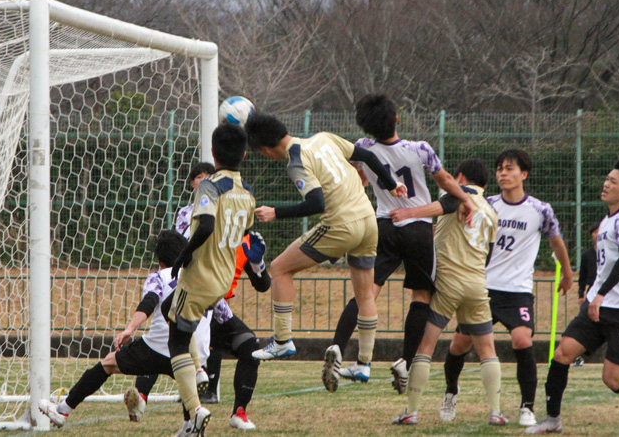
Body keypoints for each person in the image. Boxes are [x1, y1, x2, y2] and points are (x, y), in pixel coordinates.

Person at [243, 112, 408, 395]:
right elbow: (367, 156)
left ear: (266, 149)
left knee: (281, 268)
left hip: (340, 224)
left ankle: (282, 341)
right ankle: (363, 364)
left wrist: (275, 212)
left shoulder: (296, 162)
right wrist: (391, 183)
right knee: (365, 294)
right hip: (368, 221)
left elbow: (316, 203)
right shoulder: (324, 138)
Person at [329, 94, 474, 393]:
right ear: (396, 118)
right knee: (421, 295)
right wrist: (465, 198)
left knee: (366, 292)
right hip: (419, 229)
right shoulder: (420, 150)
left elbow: (355, 173)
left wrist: (362, 175)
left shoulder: (363, 148)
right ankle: (405, 362)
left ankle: (338, 347)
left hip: (384, 225)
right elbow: (445, 180)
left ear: (366, 126)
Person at [126, 159, 272, 431]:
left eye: (209, 177)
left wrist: (260, 263)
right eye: (200, 178)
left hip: (217, 308)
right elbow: (178, 252)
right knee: (171, 337)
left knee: (249, 346)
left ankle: (238, 412)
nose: (205, 182)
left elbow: (263, 285)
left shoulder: (243, 232)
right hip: (193, 297)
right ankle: (158, 400)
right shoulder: (191, 217)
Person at [526, 160, 619, 434]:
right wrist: (592, 294)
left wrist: (599, 294)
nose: (606, 183)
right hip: (597, 304)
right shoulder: (608, 218)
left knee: (613, 380)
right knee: (562, 353)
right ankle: (553, 420)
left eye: (613, 181)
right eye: (607, 178)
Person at [440, 149, 573, 427]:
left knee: (522, 340)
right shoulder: (486, 205)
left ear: (523, 174)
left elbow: (556, 240)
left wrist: (567, 273)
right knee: (458, 344)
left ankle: (527, 406)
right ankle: (451, 392)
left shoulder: (540, 210)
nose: (503, 173)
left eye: (509, 168)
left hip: (517, 291)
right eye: (499, 168)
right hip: (483, 288)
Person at [34, 230, 211, 430]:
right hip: (195, 355)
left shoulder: (160, 276)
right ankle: (190, 425)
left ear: (161, 262)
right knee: (187, 383)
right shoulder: (202, 278)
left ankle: (63, 410)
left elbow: (149, 302)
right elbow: (225, 317)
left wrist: (129, 329)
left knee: (108, 363)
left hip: (160, 346)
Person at [387, 158, 506, 425]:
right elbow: (488, 253)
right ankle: (495, 412)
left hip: (448, 282)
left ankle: (412, 411)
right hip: (476, 283)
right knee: (488, 349)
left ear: (459, 177)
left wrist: (409, 213)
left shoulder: (451, 195)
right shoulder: (491, 210)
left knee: (425, 347)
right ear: (486, 184)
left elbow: (442, 211)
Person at [166, 123, 257, 437]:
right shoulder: (247, 193)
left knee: (175, 339)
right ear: (244, 154)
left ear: (214, 153)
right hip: (223, 282)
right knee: (174, 317)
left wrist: (183, 257)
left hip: (200, 278)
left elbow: (205, 225)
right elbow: (242, 234)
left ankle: (194, 412)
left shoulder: (209, 186)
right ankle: (200, 375)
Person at [573, 225, 598, 368]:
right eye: (594, 232)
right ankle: (578, 356)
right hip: (592, 292)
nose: (597, 235)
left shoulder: (611, 253)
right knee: (584, 324)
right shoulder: (587, 255)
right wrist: (581, 294)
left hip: (609, 293)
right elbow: (582, 276)